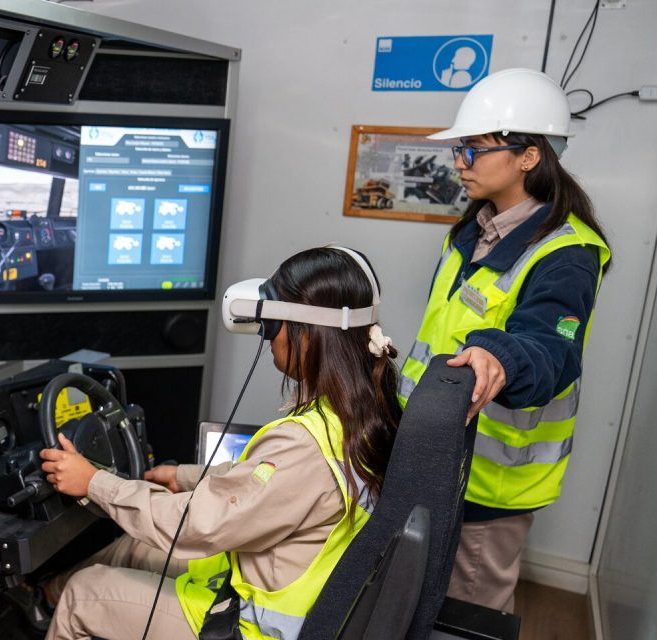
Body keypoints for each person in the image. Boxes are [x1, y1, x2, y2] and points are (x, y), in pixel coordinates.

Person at [39, 247, 401, 640]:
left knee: (82, 595)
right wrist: (186, 476)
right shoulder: (363, 409)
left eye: (272, 326)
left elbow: (193, 526)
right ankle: (42, 601)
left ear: (308, 335)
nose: (268, 339)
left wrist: (93, 482)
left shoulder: (303, 446)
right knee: (135, 549)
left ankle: (55, 603)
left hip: (255, 629)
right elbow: (269, 487)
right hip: (275, 581)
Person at [402, 67, 611, 613]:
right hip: (429, 455)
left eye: (473, 149)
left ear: (529, 155)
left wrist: (501, 354)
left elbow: (549, 351)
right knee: (412, 602)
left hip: (490, 486)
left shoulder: (567, 253)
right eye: (459, 150)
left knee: (468, 615)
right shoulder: (471, 231)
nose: (459, 163)